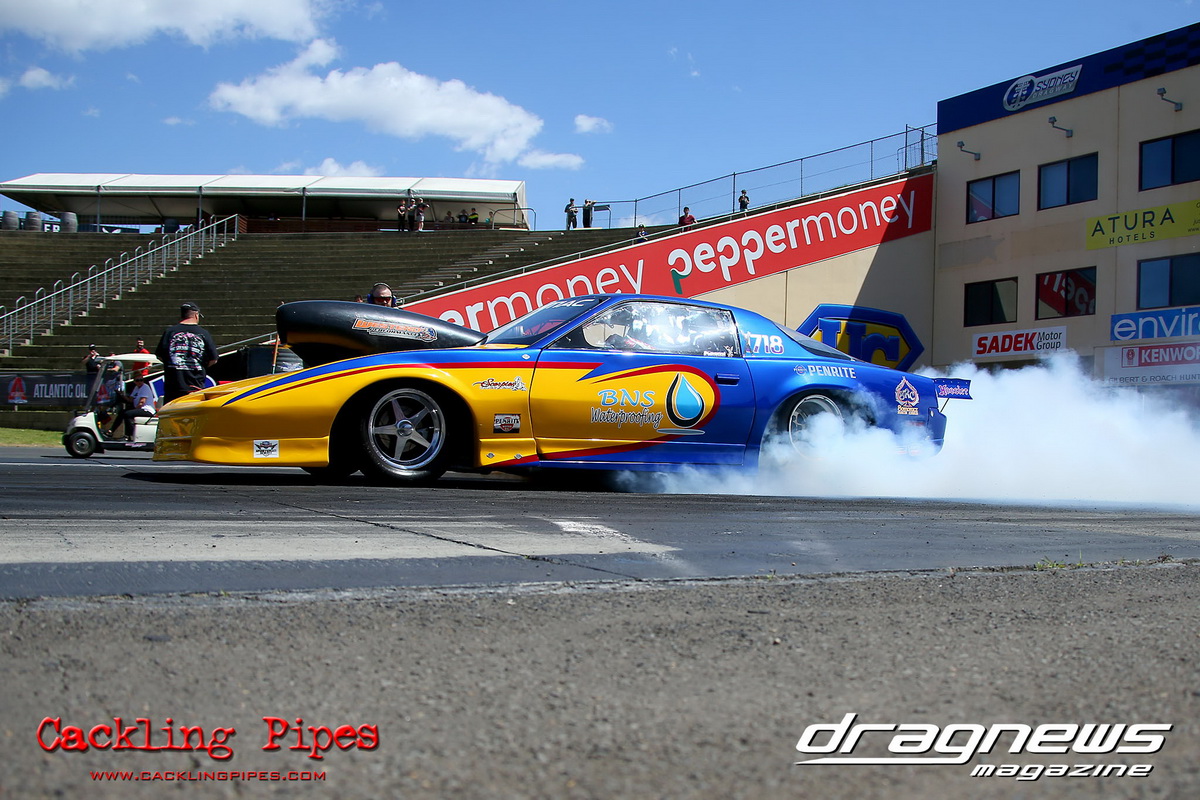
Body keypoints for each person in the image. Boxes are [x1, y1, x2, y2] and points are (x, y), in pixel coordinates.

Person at [155, 302, 219, 404]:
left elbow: (160, 356)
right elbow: (213, 359)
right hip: (195, 386)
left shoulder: (170, 332)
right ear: (196, 315)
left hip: (173, 387)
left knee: (173, 412)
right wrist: (198, 366)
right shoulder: (203, 333)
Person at [119, 372, 157, 441]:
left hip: (147, 410)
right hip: (141, 409)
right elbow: (130, 400)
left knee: (127, 414)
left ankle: (130, 435)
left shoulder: (145, 387)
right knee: (122, 412)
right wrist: (121, 395)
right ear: (134, 381)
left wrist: (134, 410)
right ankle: (111, 431)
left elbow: (142, 402)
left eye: (141, 380)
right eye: (137, 380)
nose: (140, 382)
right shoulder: (136, 388)